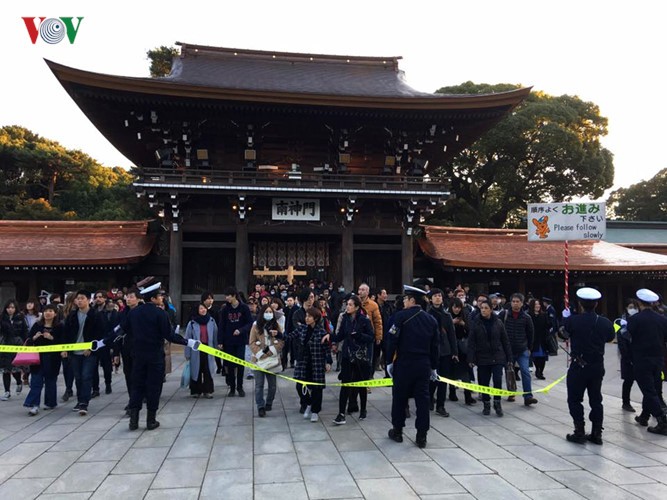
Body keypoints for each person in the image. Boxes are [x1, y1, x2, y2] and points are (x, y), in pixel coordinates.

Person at [96, 282, 196, 430]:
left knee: (137, 386)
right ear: (154, 298)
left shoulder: (133, 313)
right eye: (160, 296)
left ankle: (134, 421)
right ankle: (150, 420)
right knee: (154, 387)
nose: (162, 299)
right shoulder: (160, 314)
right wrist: (188, 342)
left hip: (137, 356)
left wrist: (103, 342)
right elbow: (169, 335)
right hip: (155, 356)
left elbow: (119, 331)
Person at [386, 285, 439, 448]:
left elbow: (391, 340)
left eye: (406, 299)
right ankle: (421, 435)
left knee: (400, 397)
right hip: (423, 364)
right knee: (423, 400)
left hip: (404, 363)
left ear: (412, 300)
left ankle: (398, 430)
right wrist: (434, 367)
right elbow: (435, 346)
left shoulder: (400, 317)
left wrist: (388, 361)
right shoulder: (431, 320)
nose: (404, 302)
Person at [561, 287, 615, 444]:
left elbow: (561, 334)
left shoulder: (573, 320)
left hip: (579, 365)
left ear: (580, 304)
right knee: (596, 400)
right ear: (596, 304)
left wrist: (565, 320)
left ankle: (579, 430)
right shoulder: (604, 322)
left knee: (574, 399)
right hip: (597, 366)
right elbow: (610, 337)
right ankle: (597, 433)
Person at [628, 288, 667, 435]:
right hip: (658, 359)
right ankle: (644, 415)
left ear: (639, 303)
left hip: (641, 359)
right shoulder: (662, 319)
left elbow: (627, 336)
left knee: (648, 390)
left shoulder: (635, 319)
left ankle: (662, 419)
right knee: (652, 388)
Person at [332, 295, 374, 424]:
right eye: (347, 304)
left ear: (356, 307)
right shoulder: (345, 318)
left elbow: (371, 337)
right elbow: (340, 336)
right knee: (345, 385)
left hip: (361, 356)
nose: (347, 307)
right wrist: (330, 337)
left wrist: (359, 335)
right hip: (347, 355)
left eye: (350, 305)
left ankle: (363, 409)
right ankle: (341, 413)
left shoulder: (364, 320)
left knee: (361, 384)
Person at [467, 301, 513, 417]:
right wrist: (471, 358)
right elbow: (471, 342)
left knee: (497, 380)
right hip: (482, 357)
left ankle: (497, 403)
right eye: (482, 308)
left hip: (497, 356)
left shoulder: (498, 322)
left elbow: (505, 341)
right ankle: (486, 403)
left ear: (491, 309)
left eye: (486, 308)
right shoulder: (476, 323)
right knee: (484, 382)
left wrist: (509, 358)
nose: (483, 310)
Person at [63, 291, 103, 416]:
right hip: (74, 352)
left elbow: (100, 334)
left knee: (86, 376)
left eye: (82, 298)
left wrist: (91, 347)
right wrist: (65, 348)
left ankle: (84, 403)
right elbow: (67, 333)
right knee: (78, 377)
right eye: (77, 299)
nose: (79, 301)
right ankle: (80, 399)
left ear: (88, 300)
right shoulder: (72, 315)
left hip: (89, 352)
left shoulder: (95, 315)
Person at [288, 307, 331, 423]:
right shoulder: (302, 328)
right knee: (300, 386)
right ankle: (309, 403)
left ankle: (315, 411)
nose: (306, 318)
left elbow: (327, 349)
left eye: (309, 316)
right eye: (306, 316)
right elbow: (289, 336)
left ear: (315, 318)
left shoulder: (322, 332)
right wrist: (278, 335)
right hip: (303, 363)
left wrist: (328, 362)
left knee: (317, 389)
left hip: (316, 363)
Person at [23, 304, 64, 414]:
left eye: (51, 311)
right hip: (37, 357)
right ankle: (34, 405)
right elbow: (29, 340)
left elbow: (63, 342)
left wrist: (51, 338)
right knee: (36, 380)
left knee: (51, 380)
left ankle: (50, 402)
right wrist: (34, 338)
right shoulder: (37, 325)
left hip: (52, 358)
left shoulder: (59, 326)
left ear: (55, 313)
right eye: (46, 311)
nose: (47, 313)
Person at [501, 293, 538, 406]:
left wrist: (529, 348)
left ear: (522, 303)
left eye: (518, 301)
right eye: (513, 301)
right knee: (509, 372)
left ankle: (528, 396)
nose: (515, 303)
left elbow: (531, 334)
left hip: (522, 349)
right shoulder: (504, 314)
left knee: (525, 372)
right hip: (508, 349)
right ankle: (511, 392)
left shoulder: (526, 318)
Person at [427, 288, 458, 417]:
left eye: (439, 295)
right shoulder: (427, 314)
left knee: (443, 379)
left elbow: (452, 335)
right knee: (432, 379)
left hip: (445, 351)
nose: (438, 298)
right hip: (431, 351)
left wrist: (454, 352)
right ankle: (429, 399)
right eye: (435, 296)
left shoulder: (447, 315)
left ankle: (441, 405)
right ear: (430, 299)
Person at [217, 286, 253, 397]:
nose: (227, 298)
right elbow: (221, 325)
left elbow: (249, 323)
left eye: (228, 296)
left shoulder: (244, 308)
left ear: (234, 296)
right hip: (228, 341)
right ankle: (232, 387)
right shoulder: (225, 309)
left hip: (240, 340)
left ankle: (240, 387)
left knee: (240, 364)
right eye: (226, 296)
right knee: (230, 365)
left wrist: (241, 330)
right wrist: (220, 341)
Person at [249, 304, 284, 417]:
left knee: (272, 386)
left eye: (270, 312)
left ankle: (269, 402)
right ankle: (260, 406)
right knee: (259, 385)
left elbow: (281, 340)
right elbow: (252, 342)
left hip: (272, 359)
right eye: (266, 311)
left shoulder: (276, 325)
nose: (268, 314)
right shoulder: (255, 326)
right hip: (258, 360)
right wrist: (261, 353)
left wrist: (271, 351)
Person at [184, 303, 218, 398]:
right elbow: (187, 339)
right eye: (201, 309)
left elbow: (215, 335)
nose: (203, 310)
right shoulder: (192, 323)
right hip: (196, 349)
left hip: (208, 348)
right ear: (197, 311)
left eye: (204, 308)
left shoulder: (211, 321)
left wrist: (216, 349)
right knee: (196, 370)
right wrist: (187, 353)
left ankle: (208, 391)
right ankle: (196, 390)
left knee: (208, 370)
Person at [448, 297, 476, 405]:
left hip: (464, 348)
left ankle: (467, 396)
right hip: (452, 348)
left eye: (458, 307)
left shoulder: (465, 316)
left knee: (466, 373)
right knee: (452, 372)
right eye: (455, 307)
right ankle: (452, 392)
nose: (456, 310)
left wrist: (463, 324)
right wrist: (452, 323)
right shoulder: (447, 316)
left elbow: (471, 331)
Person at [616, 299, 638, 412]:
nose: (633, 309)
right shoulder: (619, 321)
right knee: (628, 380)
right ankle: (626, 402)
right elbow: (619, 339)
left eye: (634, 307)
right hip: (627, 355)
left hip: (639, 354)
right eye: (630, 307)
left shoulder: (638, 319)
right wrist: (626, 355)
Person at [0, 300, 25, 401]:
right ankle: (7, 391)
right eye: (8, 307)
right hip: (4, 345)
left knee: (15, 369)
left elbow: (24, 331)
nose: (10, 309)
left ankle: (19, 382)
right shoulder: (2, 318)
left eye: (12, 307)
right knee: (5, 370)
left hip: (16, 344)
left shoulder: (20, 318)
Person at [528, 298, 550, 380]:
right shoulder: (529, 315)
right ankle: (537, 369)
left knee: (543, 357)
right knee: (536, 357)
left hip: (543, 339)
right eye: (536, 304)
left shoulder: (544, 315)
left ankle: (540, 372)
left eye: (538, 304)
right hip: (534, 339)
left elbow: (548, 325)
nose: (537, 306)